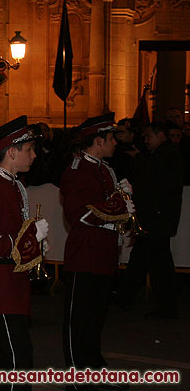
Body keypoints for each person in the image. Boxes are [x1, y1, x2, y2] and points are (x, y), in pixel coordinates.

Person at [0, 116, 48, 390]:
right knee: (18, 361)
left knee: (2, 359)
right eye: (29, 149)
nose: (34, 154)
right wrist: (29, 239)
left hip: (11, 283)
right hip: (1, 287)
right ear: (12, 152)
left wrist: (34, 243)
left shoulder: (11, 183)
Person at [60, 113, 133, 390]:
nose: (116, 142)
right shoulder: (78, 170)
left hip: (103, 253)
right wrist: (117, 206)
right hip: (86, 254)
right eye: (112, 138)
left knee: (95, 320)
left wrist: (121, 205)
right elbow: (80, 215)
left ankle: (95, 371)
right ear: (98, 140)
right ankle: (77, 378)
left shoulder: (103, 168)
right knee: (79, 321)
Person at [118, 122, 183, 318]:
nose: (145, 141)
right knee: (142, 258)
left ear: (160, 135)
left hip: (157, 218)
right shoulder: (163, 155)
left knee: (158, 263)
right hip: (155, 217)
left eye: (149, 137)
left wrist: (137, 159)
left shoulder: (166, 155)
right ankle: (126, 297)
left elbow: (149, 180)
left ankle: (166, 305)